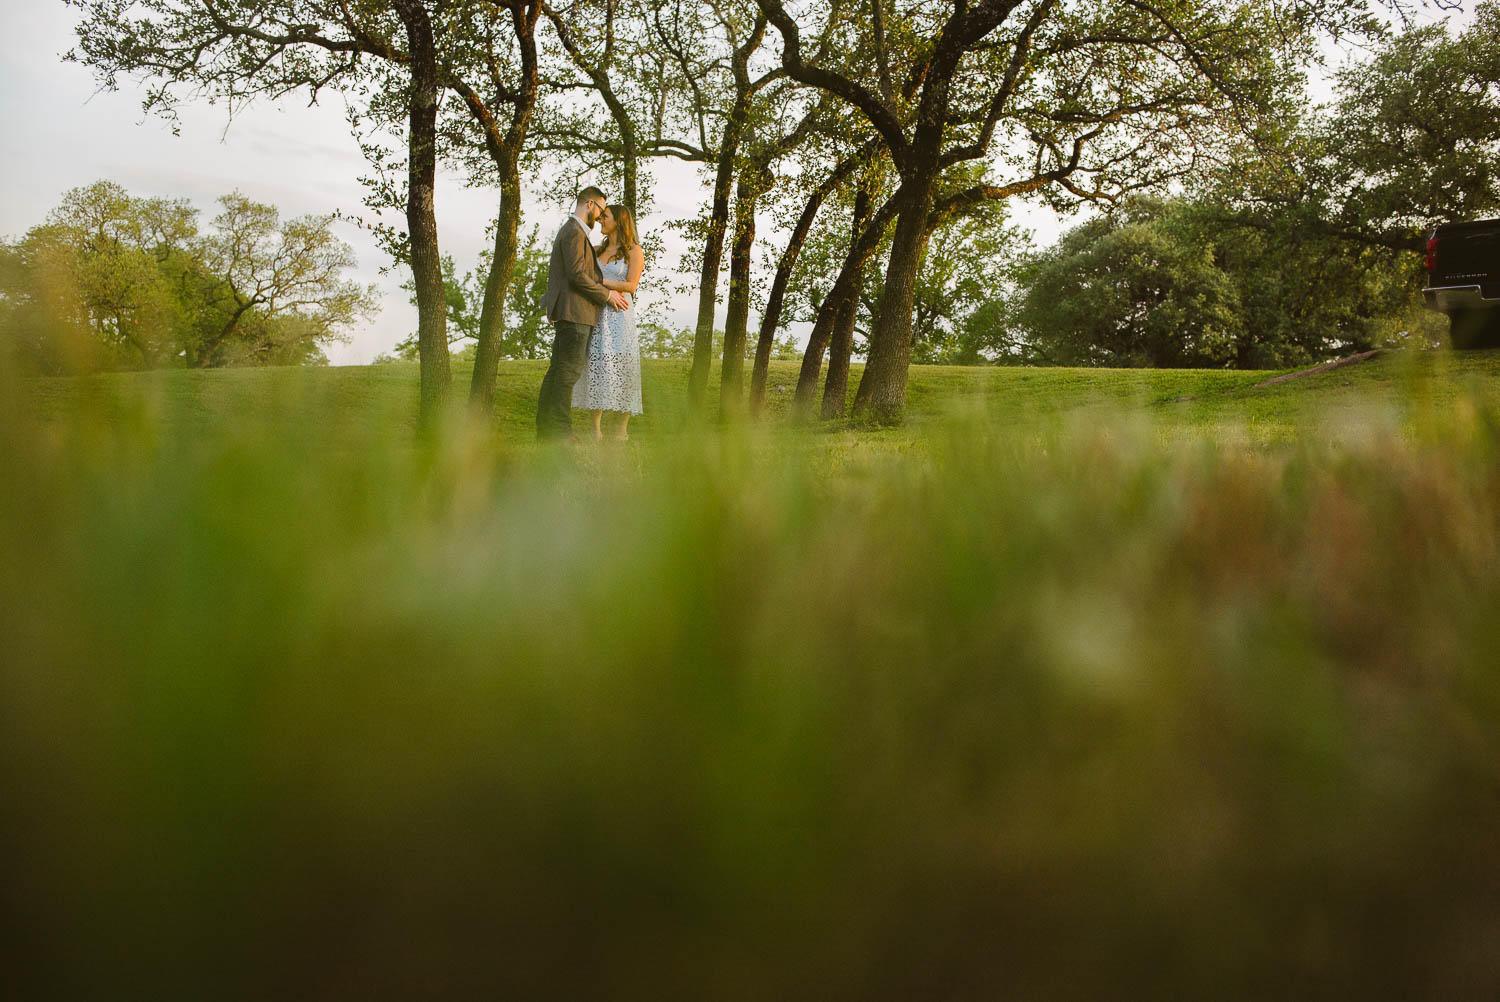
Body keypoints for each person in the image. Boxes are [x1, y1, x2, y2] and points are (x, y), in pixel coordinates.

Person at [535, 186, 629, 442]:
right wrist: (607, 294)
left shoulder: (573, 231)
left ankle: (546, 432)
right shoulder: (575, 233)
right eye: (600, 210)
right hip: (575, 313)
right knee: (567, 374)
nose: (600, 217)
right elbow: (577, 275)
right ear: (590, 204)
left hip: (571, 312)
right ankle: (561, 434)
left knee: (557, 372)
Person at [572, 204, 645, 440]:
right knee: (597, 367)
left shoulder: (633, 251)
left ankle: (621, 431)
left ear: (619, 221)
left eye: (606, 217)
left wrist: (600, 283)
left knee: (623, 368)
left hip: (619, 314)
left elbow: (631, 286)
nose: (601, 220)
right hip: (595, 312)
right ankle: (595, 430)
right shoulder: (595, 250)